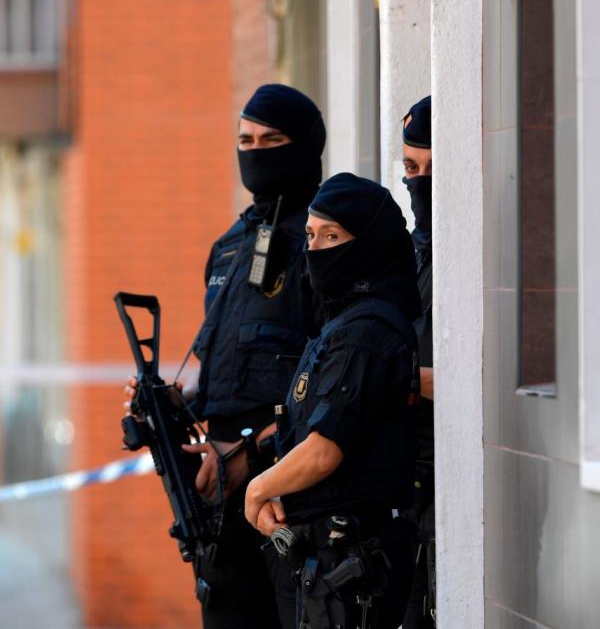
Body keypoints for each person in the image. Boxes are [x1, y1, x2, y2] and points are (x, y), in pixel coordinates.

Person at [123, 84, 324, 629]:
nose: (255, 151)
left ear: (304, 146)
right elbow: (226, 363)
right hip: (220, 484)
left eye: (272, 139)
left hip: (292, 482)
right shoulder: (231, 245)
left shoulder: (323, 238)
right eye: (245, 140)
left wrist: (251, 452)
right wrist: (175, 402)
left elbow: (333, 373)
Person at [244, 173, 421, 629]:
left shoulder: (365, 333)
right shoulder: (342, 326)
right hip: (327, 563)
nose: (316, 248)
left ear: (367, 244)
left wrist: (258, 489)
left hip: (354, 565)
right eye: (310, 234)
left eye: (333, 235)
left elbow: (324, 451)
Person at [399, 95, 436, 629]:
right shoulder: (401, 257)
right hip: (400, 488)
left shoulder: (482, 252)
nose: (420, 181)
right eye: (410, 168)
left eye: (432, 168)